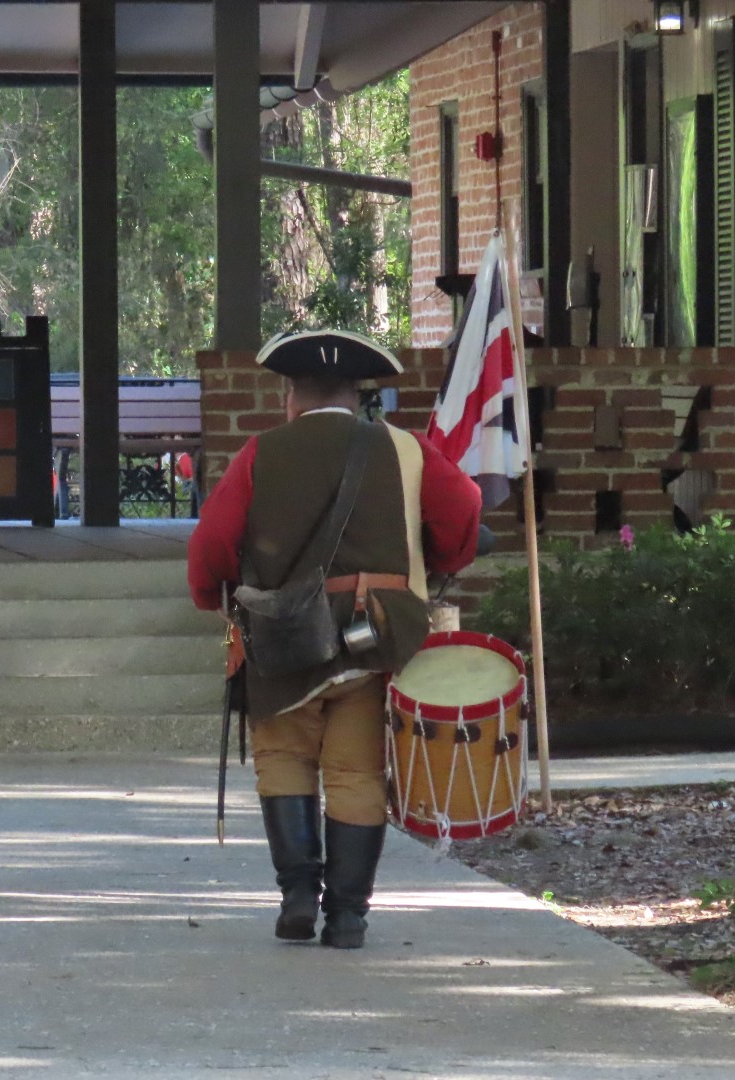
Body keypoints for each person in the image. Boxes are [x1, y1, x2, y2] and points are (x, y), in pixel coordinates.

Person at [186, 329, 482, 950]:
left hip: (283, 640)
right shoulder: (407, 449)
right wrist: (434, 561)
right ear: (359, 394)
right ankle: (347, 915)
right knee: (357, 773)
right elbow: (463, 510)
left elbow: (211, 543)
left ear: (291, 396)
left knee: (284, 759)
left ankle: (298, 897)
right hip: (375, 637)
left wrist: (213, 595)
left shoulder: (260, 454)